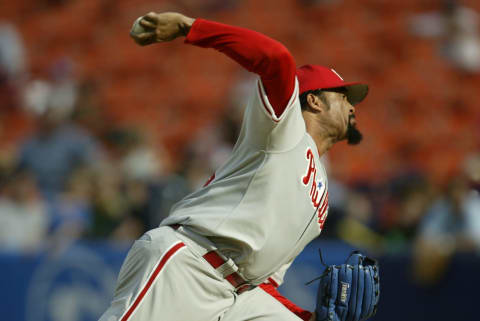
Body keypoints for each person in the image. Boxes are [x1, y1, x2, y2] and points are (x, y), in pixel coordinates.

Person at [99, 12, 369, 321]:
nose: (351, 105)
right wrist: (190, 27)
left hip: (239, 294)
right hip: (191, 264)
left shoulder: (321, 192)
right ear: (314, 102)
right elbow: (276, 58)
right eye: (343, 95)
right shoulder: (284, 128)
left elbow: (265, 281)